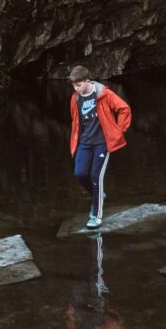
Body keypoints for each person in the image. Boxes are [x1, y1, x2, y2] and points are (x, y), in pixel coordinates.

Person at [68, 64, 132, 229]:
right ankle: (98, 194)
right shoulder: (75, 98)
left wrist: (119, 130)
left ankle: (96, 215)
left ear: (88, 81)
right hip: (84, 142)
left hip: (102, 143)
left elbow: (124, 109)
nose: (76, 88)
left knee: (96, 176)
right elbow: (76, 120)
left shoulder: (104, 93)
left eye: (79, 85)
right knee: (80, 173)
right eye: (74, 86)